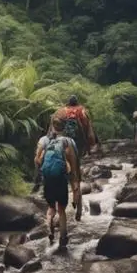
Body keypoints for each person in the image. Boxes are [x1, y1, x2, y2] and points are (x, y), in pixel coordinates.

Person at [48, 95, 98, 221]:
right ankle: (78, 212)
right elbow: (90, 134)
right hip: (77, 147)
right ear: (77, 103)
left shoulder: (59, 112)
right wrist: (90, 146)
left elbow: (50, 133)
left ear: (67, 103)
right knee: (76, 177)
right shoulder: (83, 111)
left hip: (58, 146)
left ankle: (57, 212)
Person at [35, 117, 80, 247]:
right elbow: (71, 164)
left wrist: (42, 172)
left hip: (48, 178)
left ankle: (50, 229)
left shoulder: (46, 141)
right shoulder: (67, 141)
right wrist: (74, 182)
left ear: (52, 126)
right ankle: (63, 238)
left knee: (50, 208)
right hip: (60, 178)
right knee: (61, 209)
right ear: (64, 127)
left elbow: (38, 161)